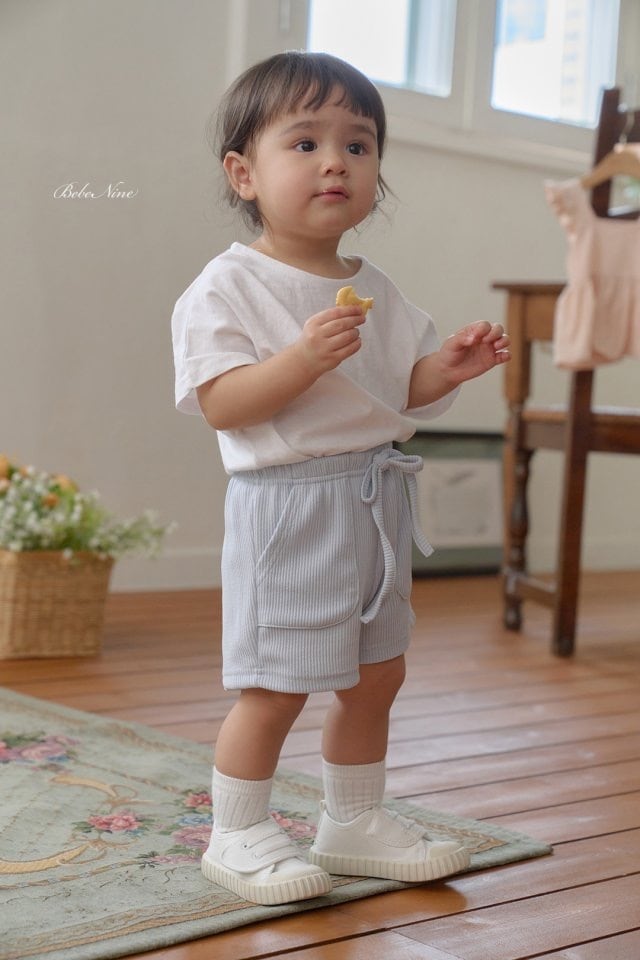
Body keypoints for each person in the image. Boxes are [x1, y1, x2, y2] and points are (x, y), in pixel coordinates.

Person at [171, 51, 510, 907]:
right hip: (288, 511)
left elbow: (396, 389)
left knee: (376, 673)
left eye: (358, 145)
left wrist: (446, 368)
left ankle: (351, 821)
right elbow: (222, 404)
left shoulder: (376, 289)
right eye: (306, 142)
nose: (336, 162)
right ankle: (236, 832)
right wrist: (301, 358)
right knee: (275, 683)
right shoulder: (228, 286)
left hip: (374, 499)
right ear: (244, 174)